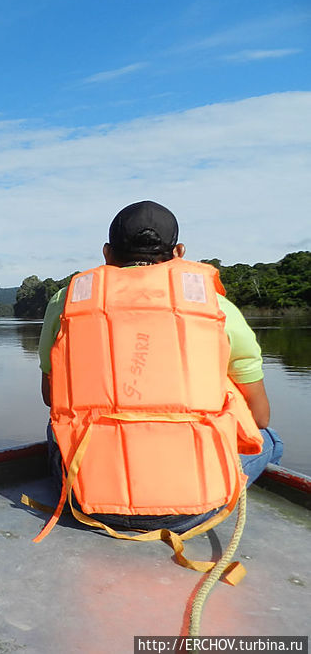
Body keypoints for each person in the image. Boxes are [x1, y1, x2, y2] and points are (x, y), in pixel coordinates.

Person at [35, 201, 283, 541]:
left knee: (58, 425)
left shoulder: (67, 302)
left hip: (86, 501)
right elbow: (260, 417)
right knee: (269, 439)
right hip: (195, 510)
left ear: (107, 253)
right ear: (179, 252)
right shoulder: (216, 307)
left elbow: (52, 397)